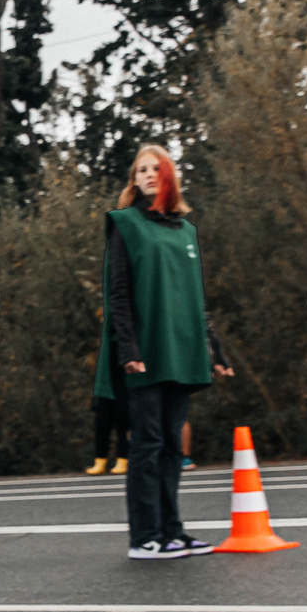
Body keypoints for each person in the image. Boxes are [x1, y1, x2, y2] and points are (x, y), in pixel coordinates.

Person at [99, 144, 234, 561]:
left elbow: (195, 299)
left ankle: (172, 531)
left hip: (184, 350)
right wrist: (128, 349)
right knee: (148, 443)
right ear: (133, 179)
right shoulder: (125, 224)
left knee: (174, 445)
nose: (149, 175)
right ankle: (144, 537)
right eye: (141, 170)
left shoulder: (186, 231)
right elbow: (118, 293)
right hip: (145, 353)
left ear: (170, 175)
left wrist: (215, 349)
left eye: (156, 168)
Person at [85, 323, 128, 476]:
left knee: (124, 421)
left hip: (124, 380)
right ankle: (100, 459)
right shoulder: (107, 335)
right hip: (107, 382)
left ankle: (124, 458)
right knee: (102, 421)